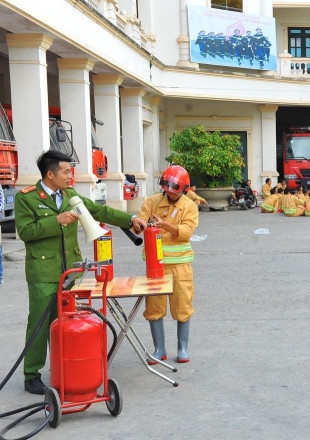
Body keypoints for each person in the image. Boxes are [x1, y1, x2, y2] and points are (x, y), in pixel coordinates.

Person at [16, 150, 148, 394]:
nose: (70, 176)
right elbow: (25, 232)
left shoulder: (70, 195)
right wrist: (56, 220)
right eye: (66, 171)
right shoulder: (27, 198)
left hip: (72, 272)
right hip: (43, 271)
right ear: (50, 174)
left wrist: (130, 220)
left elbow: (99, 212)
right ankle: (31, 375)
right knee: (40, 322)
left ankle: (65, 367)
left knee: (67, 321)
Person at [137, 165, 199, 365]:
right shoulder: (152, 202)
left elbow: (186, 232)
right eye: (168, 186)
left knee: (183, 307)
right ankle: (159, 349)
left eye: (175, 187)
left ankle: (183, 348)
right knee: (154, 308)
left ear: (184, 188)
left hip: (180, 267)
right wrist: (138, 224)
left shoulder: (190, 206)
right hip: (155, 268)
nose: (171, 190)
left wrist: (165, 226)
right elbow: (139, 223)